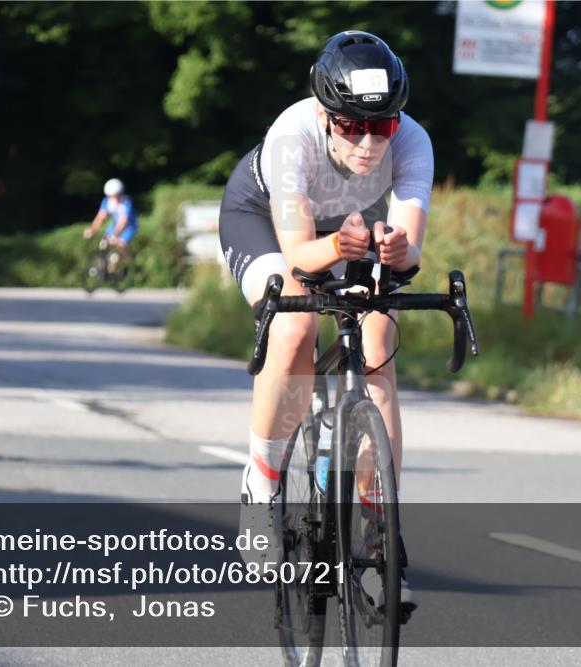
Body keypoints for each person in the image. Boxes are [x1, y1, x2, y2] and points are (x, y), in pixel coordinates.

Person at [218, 30, 431, 612]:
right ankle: (261, 480)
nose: (367, 142)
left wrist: (395, 248)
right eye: (351, 126)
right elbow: (299, 256)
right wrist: (341, 242)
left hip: (351, 228)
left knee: (379, 341)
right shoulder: (293, 137)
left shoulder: (412, 141)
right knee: (294, 327)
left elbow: (412, 248)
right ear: (325, 114)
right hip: (266, 221)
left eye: (381, 125)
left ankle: (375, 537)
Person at [83, 178, 138, 267]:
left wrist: (115, 235)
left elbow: (123, 221)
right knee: (104, 241)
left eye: (116, 195)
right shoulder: (106, 201)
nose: (113, 198)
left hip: (129, 227)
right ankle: (109, 263)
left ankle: (130, 264)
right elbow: (100, 217)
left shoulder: (126, 203)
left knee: (120, 244)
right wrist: (92, 230)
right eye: (111, 195)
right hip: (115, 225)